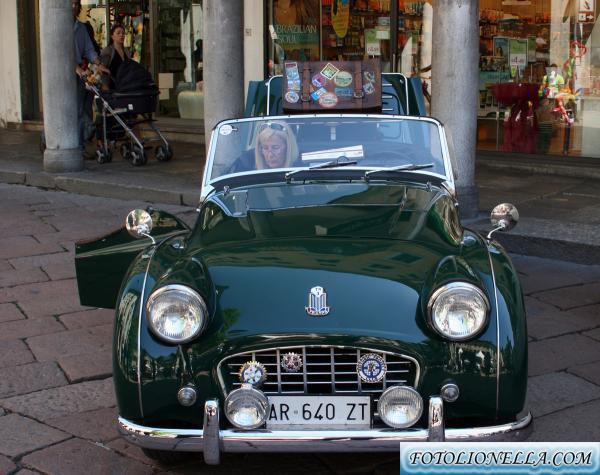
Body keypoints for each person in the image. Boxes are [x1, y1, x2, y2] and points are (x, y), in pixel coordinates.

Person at [72, 0, 108, 158]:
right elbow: (61, 53)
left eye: (75, 4)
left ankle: (81, 144)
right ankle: (48, 138)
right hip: (66, 74)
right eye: (70, 4)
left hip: (80, 74)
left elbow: (89, 49)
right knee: (72, 111)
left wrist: (98, 64)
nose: (73, 7)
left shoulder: (80, 28)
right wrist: (77, 68)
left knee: (82, 110)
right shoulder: (60, 28)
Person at [229, 122, 299, 173]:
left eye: (275, 147)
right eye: (265, 148)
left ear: (288, 148)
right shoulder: (245, 164)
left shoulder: (302, 166)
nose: (270, 155)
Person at [100, 24, 130, 91]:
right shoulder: (108, 51)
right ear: (112, 36)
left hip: (125, 86)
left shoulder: (127, 51)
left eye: (123, 33)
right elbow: (102, 69)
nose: (121, 35)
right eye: (118, 33)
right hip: (111, 87)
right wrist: (105, 85)